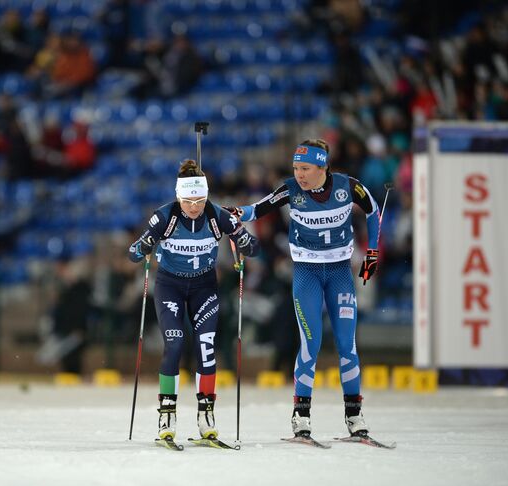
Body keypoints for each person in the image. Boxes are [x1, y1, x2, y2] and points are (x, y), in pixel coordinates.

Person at [226, 139, 381, 440]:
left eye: (306, 168)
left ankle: (354, 414)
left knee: (347, 346)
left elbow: (373, 211)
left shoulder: (348, 186)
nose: (300, 174)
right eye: (296, 168)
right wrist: (234, 213)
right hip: (307, 273)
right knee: (310, 344)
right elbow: (257, 209)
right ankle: (301, 415)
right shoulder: (291, 189)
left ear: (323, 166)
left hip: (339, 273)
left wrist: (372, 254)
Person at [128, 159, 259, 441]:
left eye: (200, 199)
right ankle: (167, 415)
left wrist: (247, 244)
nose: (194, 206)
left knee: (206, 347)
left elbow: (251, 244)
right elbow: (133, 253)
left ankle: (206, 414)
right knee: (174, 344)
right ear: (178, 196)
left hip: (204, 286)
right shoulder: (165, 217)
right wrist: (144, 246)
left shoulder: (217, 215)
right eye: (188, 200)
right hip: (170, 286)